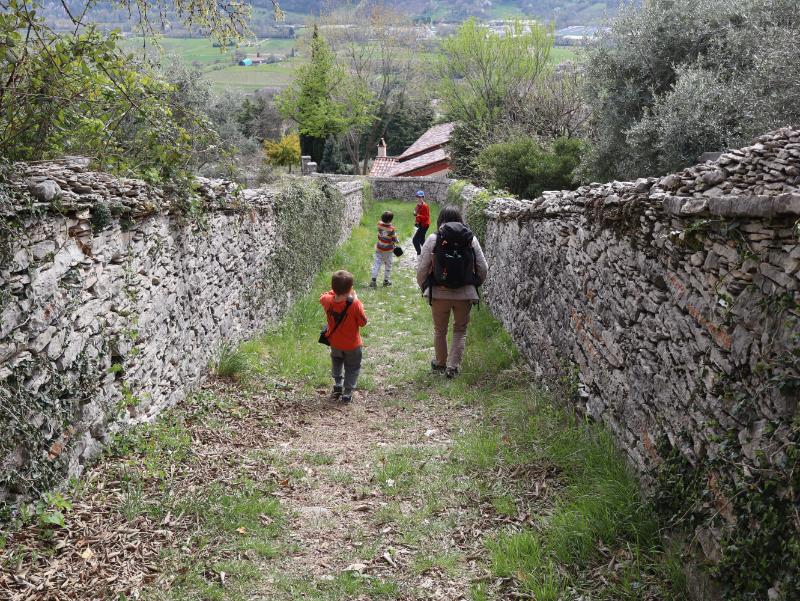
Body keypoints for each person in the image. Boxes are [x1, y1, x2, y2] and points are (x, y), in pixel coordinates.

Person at [416, 205, 488, 379]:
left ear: (440, 219)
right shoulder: (471, 239)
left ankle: (440, 363)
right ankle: (453, 367)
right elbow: (483, 268)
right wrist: (474, 284)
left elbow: (422, 268)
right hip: (465, 293)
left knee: (440, 330)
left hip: (439, 292)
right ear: (460, 219)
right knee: (460, 330)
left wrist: (424, 286)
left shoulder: (434, 238)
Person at [319, 270, 368, 403]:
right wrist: (356, 299)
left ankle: (338, 385)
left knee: (336, 361)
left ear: (333, 287)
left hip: (335, 343)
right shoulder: (355, 304)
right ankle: (347, 393)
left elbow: (323, 296)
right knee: (352, 367)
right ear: (350, 288)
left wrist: (335, 291)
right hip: (352, 345)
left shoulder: (327, 300)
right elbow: (363, 322)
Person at [370, 211, 399, 288]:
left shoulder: (379, 225)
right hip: (388, 251)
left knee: (377, 263)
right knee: (388, 265)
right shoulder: (391, 229)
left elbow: (381, 223)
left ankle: (373, 281)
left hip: (379, 248)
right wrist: (397, 240)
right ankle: (386, 281)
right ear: (390, 220)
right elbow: (394, 239)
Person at [412, 190, 430, 255]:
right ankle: (428, 252)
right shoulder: (418, 205)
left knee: (415, 240)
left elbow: (426, 217)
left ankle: (419, 254)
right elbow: (416, 211)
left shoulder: (425, 206)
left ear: (423, 197)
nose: (419, 198)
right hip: (421, 224)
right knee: (422, 240)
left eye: (420, 197)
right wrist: (415, 213)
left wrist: (417, 215)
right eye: (418, 197)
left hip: (425, 225)